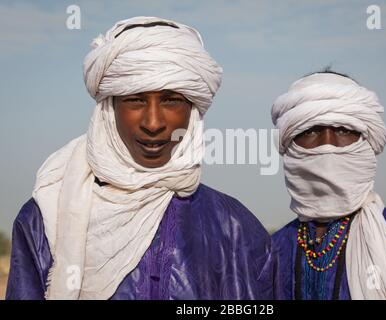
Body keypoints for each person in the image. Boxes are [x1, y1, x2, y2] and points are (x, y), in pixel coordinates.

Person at [6, 16, 278, 300]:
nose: (153, 122)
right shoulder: (47, 220)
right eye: (135, 99)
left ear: (193, 111)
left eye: (171, 100)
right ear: (109, 109)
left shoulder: (235, 229)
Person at [271, 69, 386, 300]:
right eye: (311, 130)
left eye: (344, 130)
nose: (328, 145)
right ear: (290, 145)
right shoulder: (272, 251)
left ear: (367, 143)